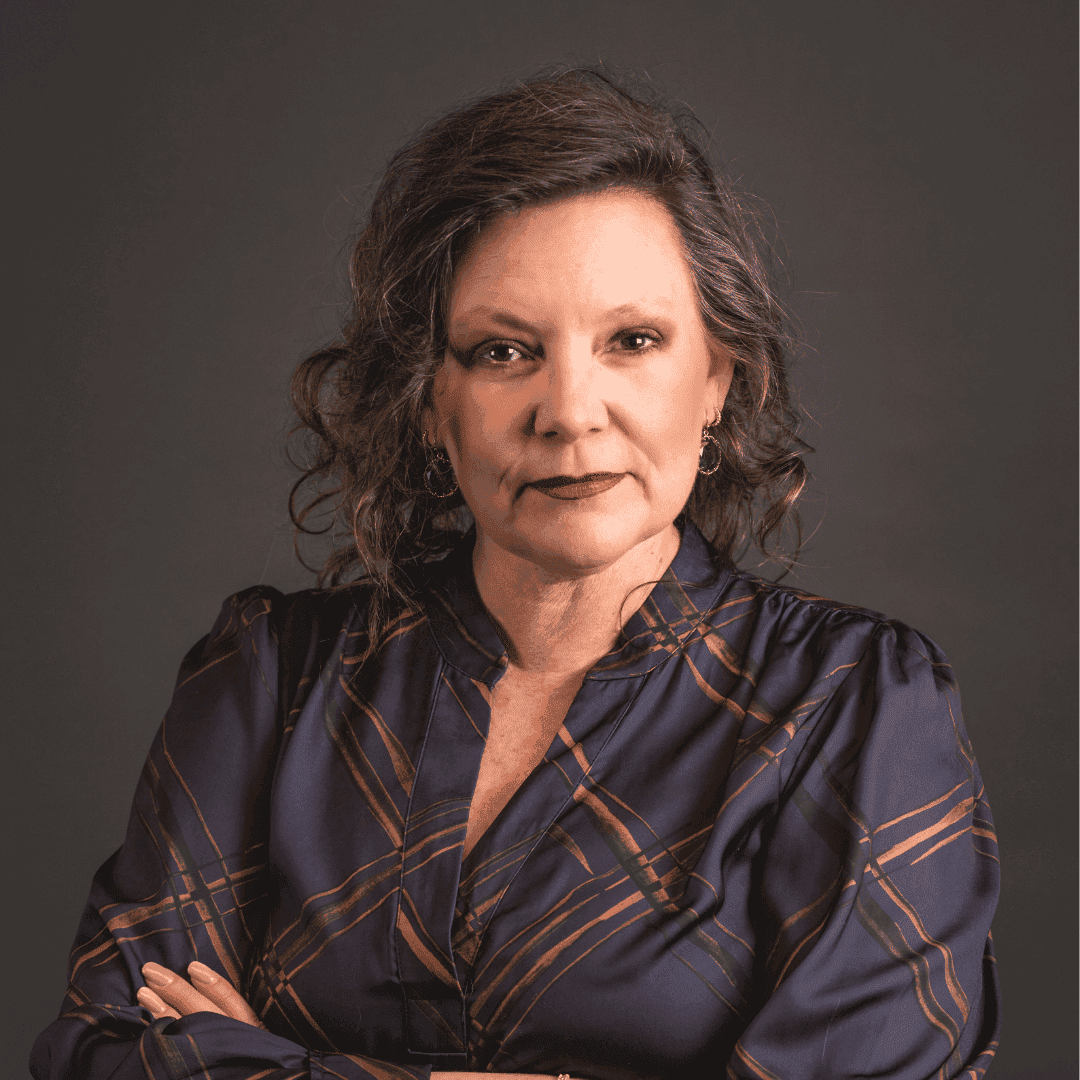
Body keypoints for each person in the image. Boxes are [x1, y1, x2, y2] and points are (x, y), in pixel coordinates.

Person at [31, 68, 1000, 1080]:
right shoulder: (269, 681)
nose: (570, 410)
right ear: (428, 399)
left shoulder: (855, 707)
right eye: (503, 351)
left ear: (717, 377)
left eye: (633, 341)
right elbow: (99, 1055)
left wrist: (276, 1063)